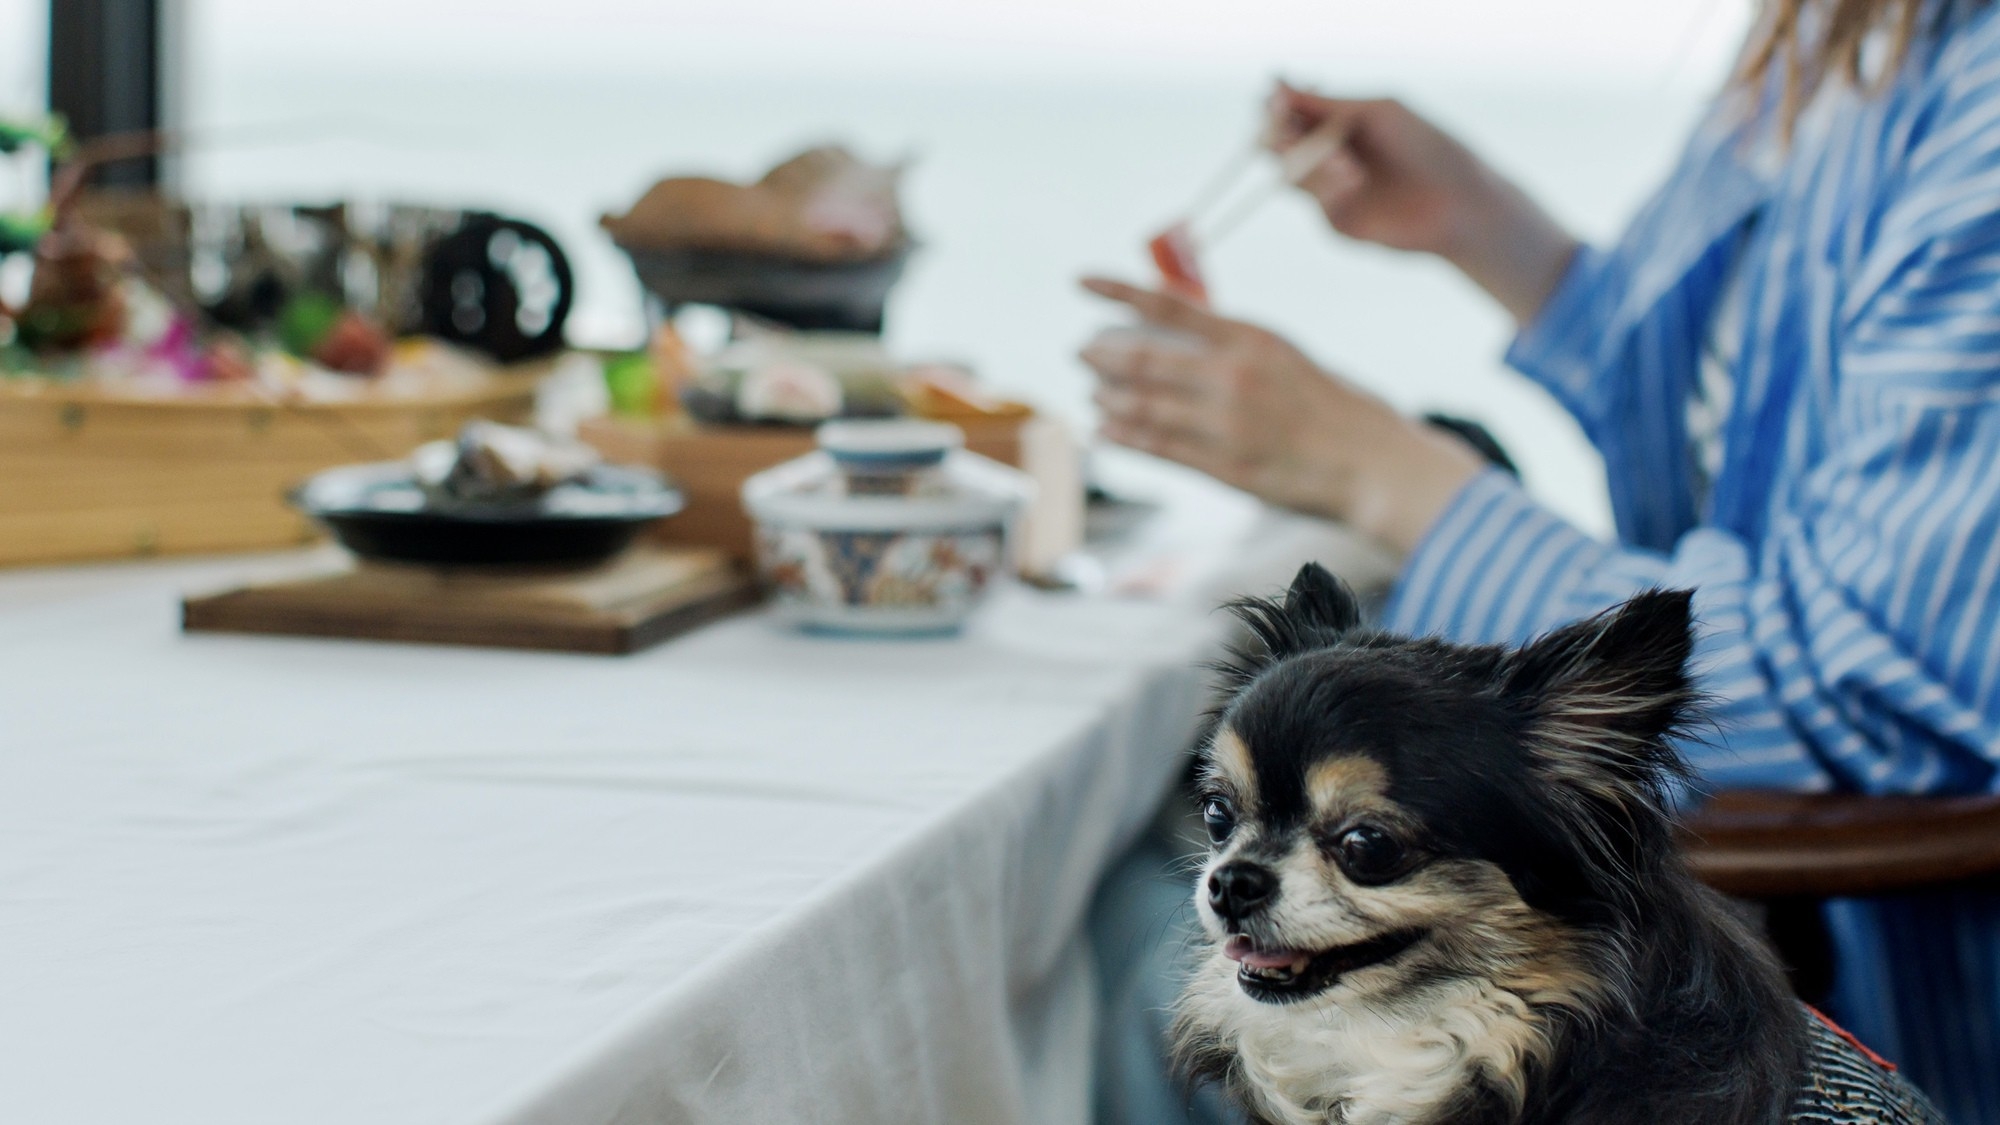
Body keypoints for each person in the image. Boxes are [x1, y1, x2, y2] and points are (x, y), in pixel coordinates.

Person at [1080, 0, 2000, 1119]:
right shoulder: (1831, 34)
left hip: (1878, 981)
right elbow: (1730, 417)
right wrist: (1486, 229)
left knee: (1113, 929)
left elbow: (1867, 683)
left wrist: (1379, 473)